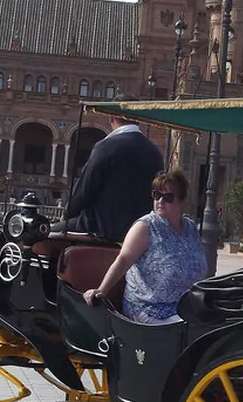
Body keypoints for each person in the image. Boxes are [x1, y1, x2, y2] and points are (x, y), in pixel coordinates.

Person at [83, 170, 206, 324]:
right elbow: (123, 260)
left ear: (181, 201)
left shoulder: (191, 228)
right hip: (148, 308)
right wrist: (102, 289)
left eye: (168, 197)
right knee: (192, 331)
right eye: (156, 195)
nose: (160, 201)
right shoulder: (145, 227)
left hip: (185, 307)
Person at [59, 103, 164, 241]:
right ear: (139, 118)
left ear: (112, 117)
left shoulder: (106, 146)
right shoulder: (155, 152)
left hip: (101, 228)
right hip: (141, 232)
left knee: (46, 234)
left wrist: (67, 213)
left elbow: (85, 189)